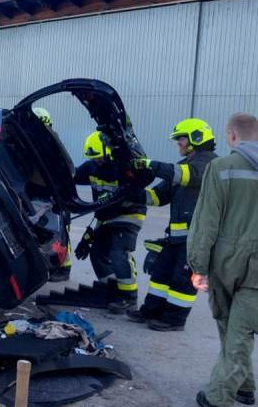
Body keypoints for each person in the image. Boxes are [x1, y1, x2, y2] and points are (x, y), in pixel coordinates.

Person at [188, 113, 258, 407]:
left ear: (232, 136)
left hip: (226, 263)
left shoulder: (221, 167)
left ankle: (218, 397)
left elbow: (206, 222)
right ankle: (244, 386)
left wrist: (198, 266)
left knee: (234, 329)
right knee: (238, 329)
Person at [126, 118, 217, 331]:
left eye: (181, 139)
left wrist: (151, 165)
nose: (178, 143)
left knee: (181, 280)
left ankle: (174, 319)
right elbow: (158, 196)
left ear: (196, 138)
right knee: (161, 273)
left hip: (196, 237)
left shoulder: (209, 163)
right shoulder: (183, 165)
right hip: (175, 237)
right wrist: (130, 194)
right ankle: (151, 311)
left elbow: (187, 176)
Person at [74, 131, 145, 312]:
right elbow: (71, 176)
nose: (97, 161)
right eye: (94, 159)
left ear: (109, 152)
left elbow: (136, 186)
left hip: (128, 214)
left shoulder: (123, 167)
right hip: (105, 217)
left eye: (99, 157)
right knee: (97, 254)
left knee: (118, 252)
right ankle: (112, 289)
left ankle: (129, 296)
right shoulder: (91, 166)